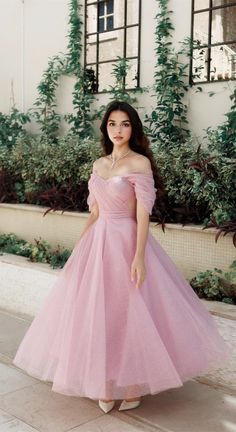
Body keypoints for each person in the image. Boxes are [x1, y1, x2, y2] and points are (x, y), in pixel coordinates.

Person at [13, 101, 231, 414]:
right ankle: (103, 381)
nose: (118, 130)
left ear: (133, 128)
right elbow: (96, 212)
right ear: (105, 128)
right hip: (98, 243)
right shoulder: (99, 165)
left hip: (127, 241)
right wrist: (81, 245)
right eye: (112, 123)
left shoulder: (139, 163)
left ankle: (131, 384)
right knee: (99, 312)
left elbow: (143, 216)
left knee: (130, 312)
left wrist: (139, 257)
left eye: (125, 124)